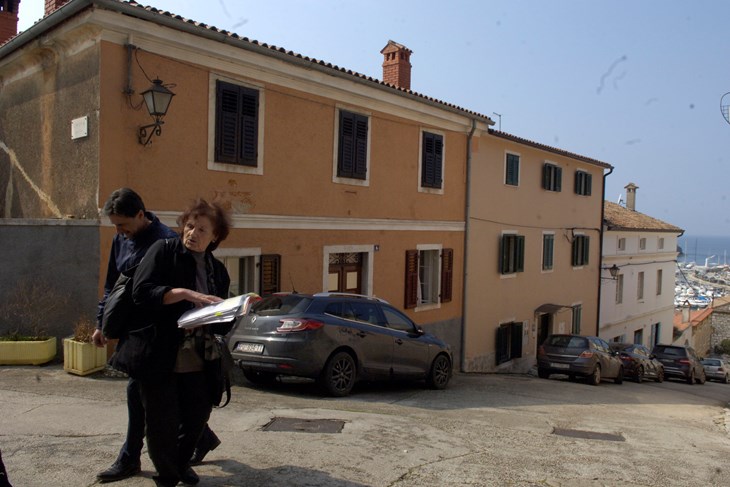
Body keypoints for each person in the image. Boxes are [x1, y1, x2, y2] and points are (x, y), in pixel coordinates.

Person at [93, 189, 221, 483]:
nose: (119, 231)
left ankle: (146, 458)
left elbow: (187, 293)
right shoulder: (122, 239)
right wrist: (102, 323)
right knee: (151, 403)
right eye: (115, 225)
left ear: (141, 215)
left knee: (156, 404)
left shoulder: (165, 243)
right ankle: (179, 451)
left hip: (160, 339)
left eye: (123, 224)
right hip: (137, 336)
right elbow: (114, 285)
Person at [131, 198, 231, 487]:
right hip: (160, 352)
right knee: (161, 423)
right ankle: (168, 476)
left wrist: (231, 311)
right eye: (189, 226)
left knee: (198, 416)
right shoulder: (163, 251)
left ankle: (181, 463)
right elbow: (141, 292)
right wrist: (185, 294)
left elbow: (221, 321)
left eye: (202, 230)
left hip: (199, 356)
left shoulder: (217, 270)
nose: (192, 234)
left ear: (215, 236)